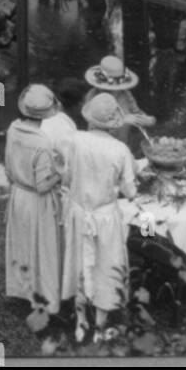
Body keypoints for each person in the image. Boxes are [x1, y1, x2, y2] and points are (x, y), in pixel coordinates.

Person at [59, 93, 138, 342]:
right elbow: (130, 191)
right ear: (113, 123)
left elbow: (66, 177)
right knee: (107, 265)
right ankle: (101, 327)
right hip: (105, 217)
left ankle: (81, 322)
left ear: (90, 119)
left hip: (79, 213)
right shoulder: (120, 150)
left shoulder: (73, 141)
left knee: (80, 262)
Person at [4, 85, 63, 317]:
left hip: (18, 194)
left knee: (23, 244)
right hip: (37, 201)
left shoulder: (13, 129)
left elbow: (9, 167)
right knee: (43, 247)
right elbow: (43, 185)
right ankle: (46, 298)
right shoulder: (42, 143)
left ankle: (23, 289)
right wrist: (60, 171)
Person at [83, 55, 155, 144]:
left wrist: (147, 120)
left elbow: (136, 113)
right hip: (100, 145)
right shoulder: (93, 96)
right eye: (106, 88)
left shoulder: (125, 94)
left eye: (114, 89)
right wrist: (123, 120)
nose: (110, 91)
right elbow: (95, 125)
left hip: (122, 143)